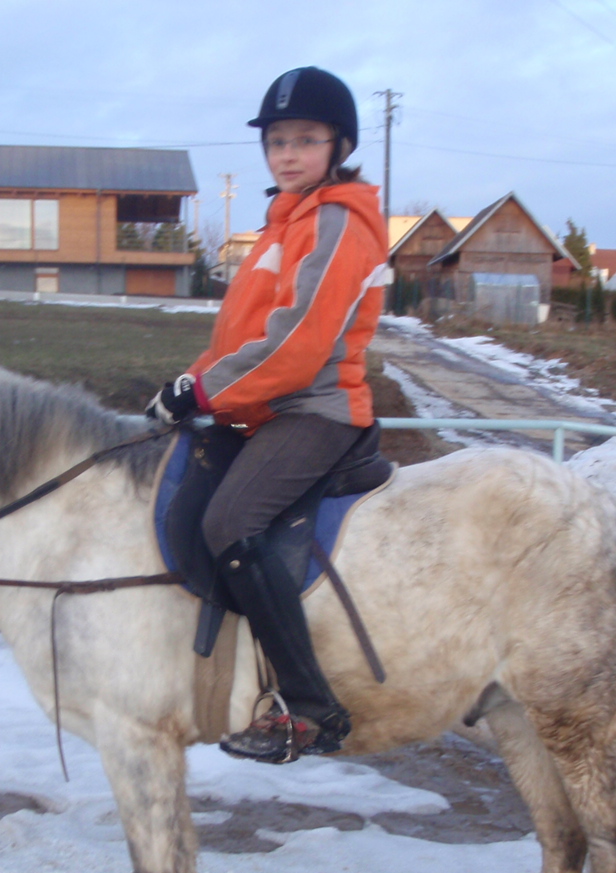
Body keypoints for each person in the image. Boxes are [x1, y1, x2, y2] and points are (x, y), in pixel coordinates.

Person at [147, 66, 390, 764]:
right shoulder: (284, 221)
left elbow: (300, 341)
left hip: (316, 407)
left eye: (305, 140)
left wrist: (203, 392)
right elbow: (241, 338)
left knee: (231, 521)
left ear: (336, 145)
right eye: (277, 140)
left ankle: (309, 708)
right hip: (261, 407)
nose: (287, 153)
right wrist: (192, 383)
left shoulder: (340, 220)